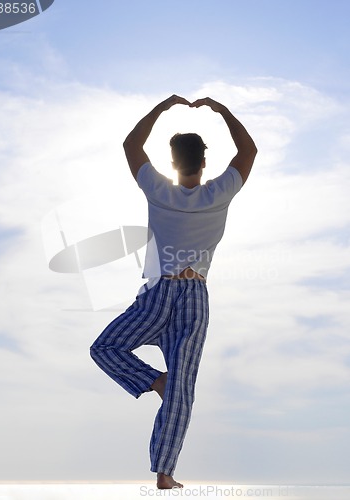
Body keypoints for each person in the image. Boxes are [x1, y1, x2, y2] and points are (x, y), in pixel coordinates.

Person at [90, 95, 257, 489]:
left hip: (159, 293)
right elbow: (248, 150)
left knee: (105, 348)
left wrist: (163, 107)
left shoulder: (158, 190)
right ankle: (165, 471)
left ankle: (156, 390)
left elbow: (131, 145)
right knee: (181, 386)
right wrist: (221, 110)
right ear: (204, 163)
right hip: (195, 296)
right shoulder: (221, 192)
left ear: (172, 162)